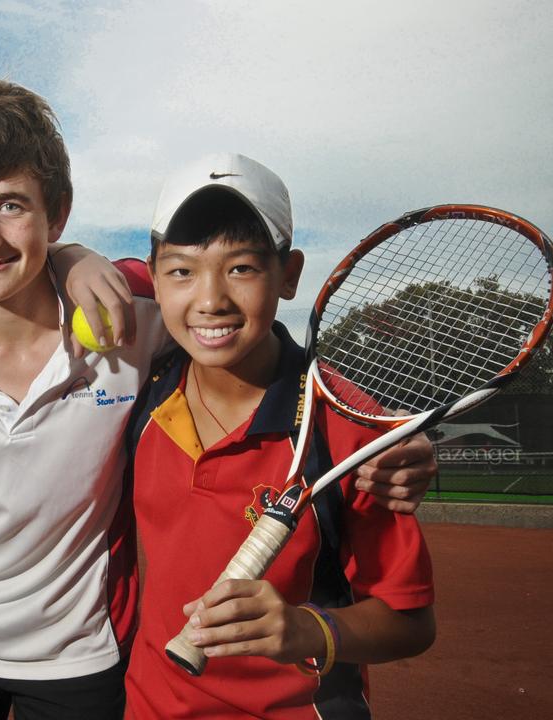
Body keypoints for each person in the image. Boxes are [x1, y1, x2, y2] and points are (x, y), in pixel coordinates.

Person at [0, 78, 438, 720]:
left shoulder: (139, 326)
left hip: (85, 661)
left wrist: (394, 444)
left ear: (57, 212)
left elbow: (179, 291)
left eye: (12, 205)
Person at [124, 153, 436, 718]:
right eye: (181, 271)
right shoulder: (138, 394)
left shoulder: (349, 427)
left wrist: (307, 629)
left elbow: (411, 620)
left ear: (288, 274)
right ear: (154, 276)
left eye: (241, 268)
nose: (211, 299)